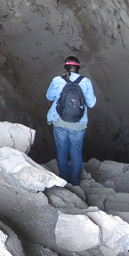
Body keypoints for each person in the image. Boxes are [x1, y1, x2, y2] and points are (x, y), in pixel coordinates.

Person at [46, 56, 97, 186]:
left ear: (65, 67)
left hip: (59, 121)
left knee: (62, 150)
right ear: (78, 68)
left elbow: (49, 96)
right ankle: (75, 182)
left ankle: (64, 180)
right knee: (76, 152)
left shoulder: (57, 80)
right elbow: (91, 103)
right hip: (78, 124)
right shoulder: (86, 82)